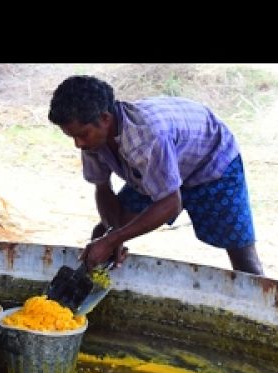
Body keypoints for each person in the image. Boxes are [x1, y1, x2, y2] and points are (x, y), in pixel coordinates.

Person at [47, 75, 264, 275]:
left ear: (105, 118)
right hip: (163, 162)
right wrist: (112, 235)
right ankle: (90, 294)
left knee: (241, 253)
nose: (78, 144)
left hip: (212, 162)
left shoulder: (145, 138)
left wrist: (115, 238)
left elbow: (171, 203)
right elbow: (103, 188)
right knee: (102, 232)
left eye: (82, 135)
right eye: (72, 137)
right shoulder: (93, 142)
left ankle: (259, 304)